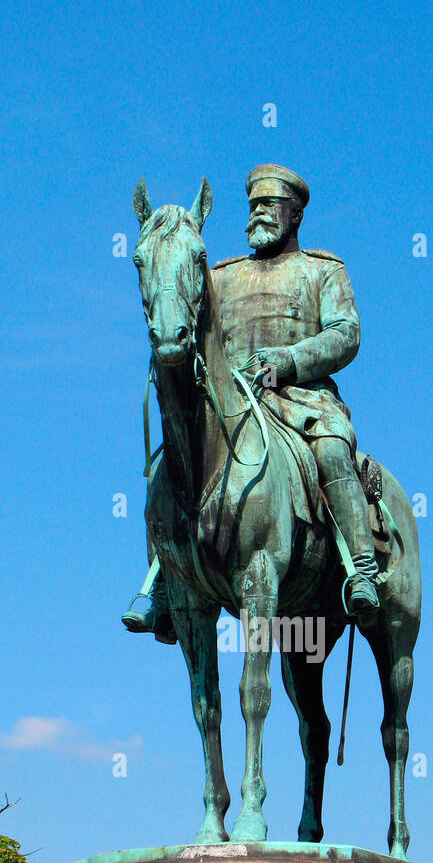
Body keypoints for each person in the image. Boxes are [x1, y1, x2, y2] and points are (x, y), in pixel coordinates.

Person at [123, 164, 380, 640]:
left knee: (330, 448)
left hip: (302, 401)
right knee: (172, 467)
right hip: (232, 402)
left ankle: (361, 569)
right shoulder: (221, 274)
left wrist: (288, 360)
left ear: (296, 213)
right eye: (252, 205)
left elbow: (346, 334)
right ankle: (164, 582)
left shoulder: (323, 270)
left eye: (270, 204)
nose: (257, 213)